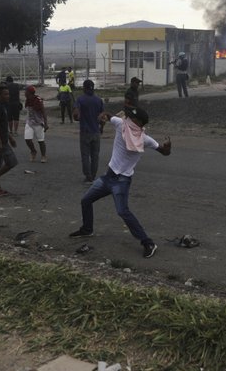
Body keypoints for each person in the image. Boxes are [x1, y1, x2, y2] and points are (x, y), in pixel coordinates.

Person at [69, 106, 172, 258]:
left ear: (139, 123)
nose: (128, 119)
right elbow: (107, 114)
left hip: (122, 181)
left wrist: (168, 147)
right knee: (86, 200)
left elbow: (164, 152)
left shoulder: (145, 139)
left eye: (131, 118)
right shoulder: (120, 124)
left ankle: (148, 243)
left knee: (123, 211)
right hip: (108, 177)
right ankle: (87, 229)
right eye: (128, 117)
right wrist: (102, 116)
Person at [74, 79, 104, 182]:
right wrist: (101, 128)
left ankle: (88, 176)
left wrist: (78, 116)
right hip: (96, 132)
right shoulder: (99, 100)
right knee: (95, 156)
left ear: (84, 88)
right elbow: (102, 118)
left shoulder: (80, 100)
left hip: (85, 132)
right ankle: (93, 175)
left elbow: (76, 116)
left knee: (85, 155)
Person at [23, 85, 49, 163]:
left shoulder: (38, 100)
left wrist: (46, 123)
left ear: (29, 92)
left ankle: (43, 155)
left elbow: (43, 112)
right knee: (27, 139)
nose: (24, 93)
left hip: (38, 123)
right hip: (30, 122)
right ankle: (33, 151)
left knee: (41, 141)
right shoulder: (27, 100)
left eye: (26, 91)